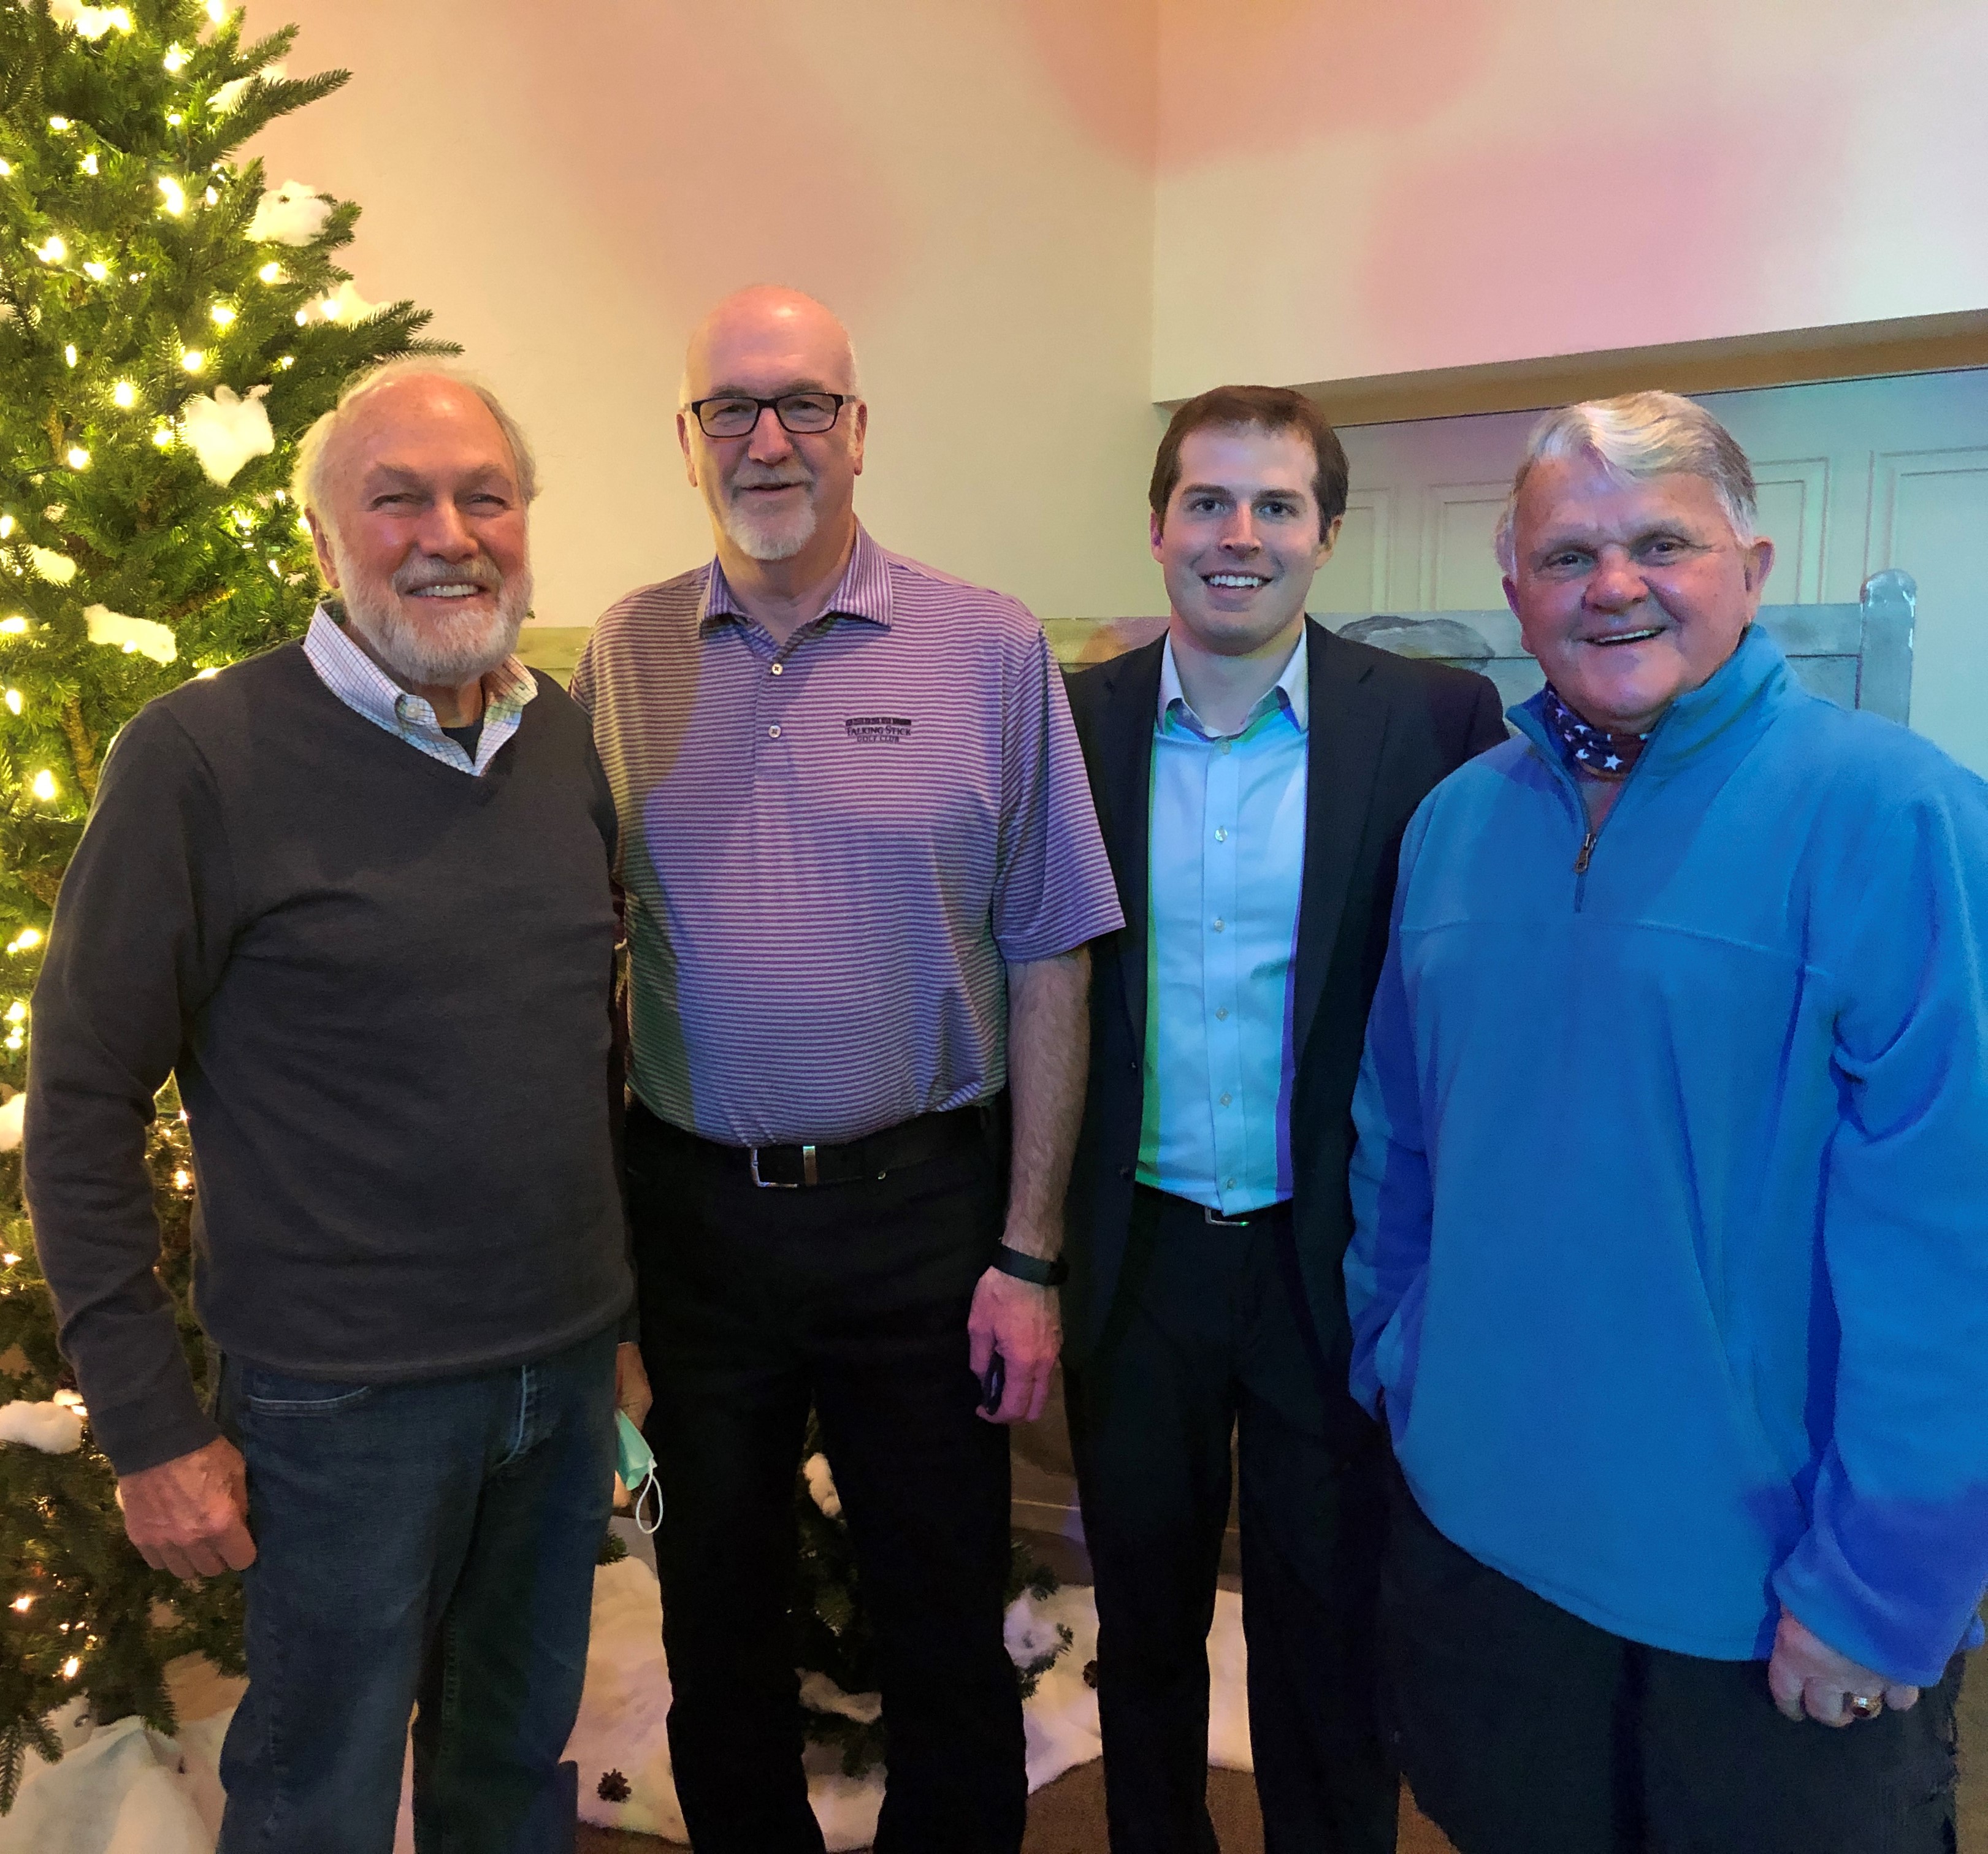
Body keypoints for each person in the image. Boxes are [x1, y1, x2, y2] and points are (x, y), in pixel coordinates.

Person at [1347, 389, 1988, 1853]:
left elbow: (1957, 1237)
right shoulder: (1454, 825)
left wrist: (1884, 1585)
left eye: (1661, 544)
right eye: (1566, 555)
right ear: (1514, 588)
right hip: (1483, 1548)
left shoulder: (1896, 818)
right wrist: (1404, 1364)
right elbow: (1402, 1145)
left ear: (1749, 569)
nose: (1613, 586)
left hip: (1767, 1599)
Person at [26, 362, 647, 1852]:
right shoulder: (199, 760)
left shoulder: (563, 742)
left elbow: (585, 1057)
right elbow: (81, 1102)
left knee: (516, 1771)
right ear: (320, 539)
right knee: (319, 1797)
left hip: (560, 1378)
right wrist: (147, 1426)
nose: (450, 533)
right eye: (397, 499)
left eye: (484, 496)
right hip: (340, 1408)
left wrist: (621, 1326)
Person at [572, 284, 1123, 1854]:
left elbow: (1053, 951)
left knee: (944, 1618)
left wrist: (1028, 1252)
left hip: (921, 1219)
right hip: (697, 1224)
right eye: (731, 408)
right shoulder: (624, 653)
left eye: (804, 402)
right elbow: (581, 952)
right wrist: (606, 1278)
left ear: (859, 429)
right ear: (686, 442)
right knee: (713, 1625)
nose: (769, 439)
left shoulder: (987, 645)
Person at [1061, 385, 1505, 1853]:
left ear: (1326, 534)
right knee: (1142, 1624)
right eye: (1206, 502)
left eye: (1274, 505)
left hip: (1332, 1258)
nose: (1237, 535)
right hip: (1137, 1260)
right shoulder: (1070, 724)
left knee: (1327, 1633)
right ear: (1157, 527)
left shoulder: (1434, 723)